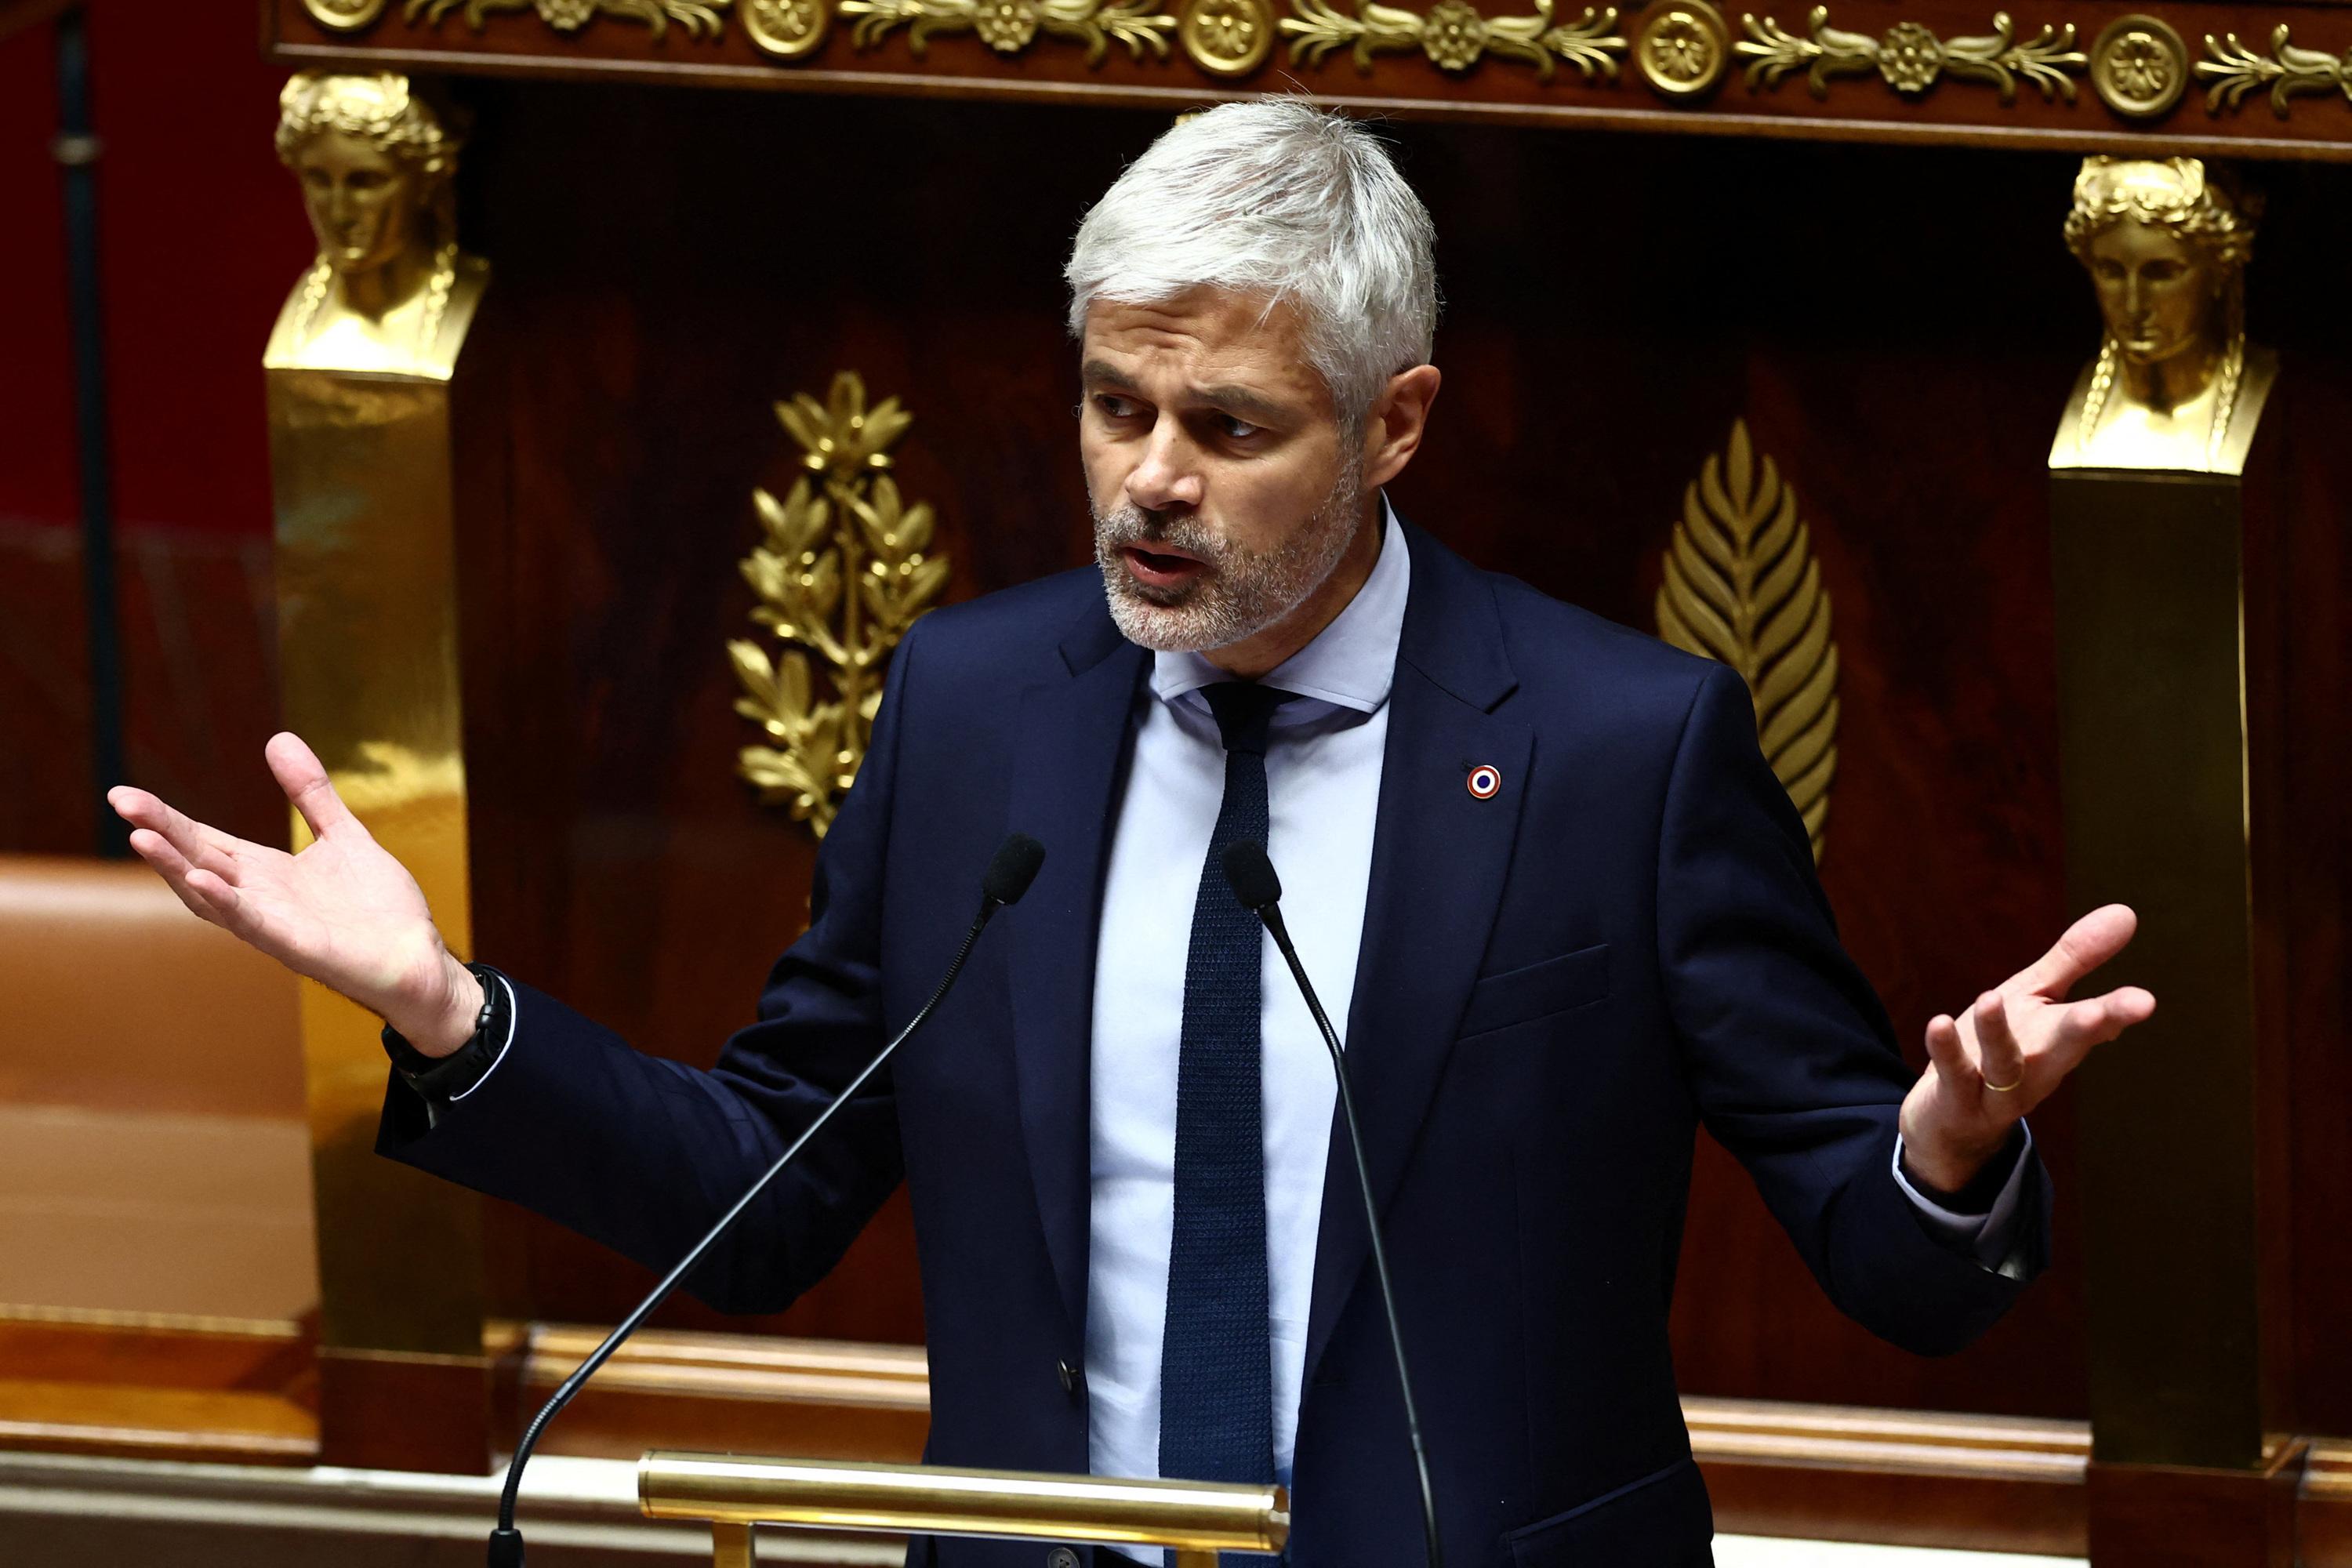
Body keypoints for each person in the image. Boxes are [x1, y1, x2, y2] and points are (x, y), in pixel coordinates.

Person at [110, 100, 2153, 1568]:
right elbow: (769, 1191)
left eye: (1229, 427)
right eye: (1114, 407)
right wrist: (449, 1011)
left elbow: (1896, 1266)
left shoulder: (1623, 750)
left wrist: (1946, 1145)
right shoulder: (974, 711)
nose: (1151, 480)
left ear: (1396, 423)